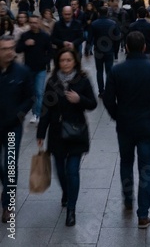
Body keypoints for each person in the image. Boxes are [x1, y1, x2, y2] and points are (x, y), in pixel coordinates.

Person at [103, 31, 150, 229]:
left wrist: (117, 115)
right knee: (146, 169)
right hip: (147, 126)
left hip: (125, 126)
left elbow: (109, 99)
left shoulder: (117, 71)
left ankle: (127, 198)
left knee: (126, 163)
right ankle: (143, 214)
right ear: (144, 47)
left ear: (126, 47)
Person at [37, 48, 97, 227]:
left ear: (75, 62)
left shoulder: (83, 80)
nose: (65, 64)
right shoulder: (52, 81)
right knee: (60, 171)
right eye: (62, 60)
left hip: (76, 132)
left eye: (68, 60)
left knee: (72, 171)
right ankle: (66, 191)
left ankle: (71, 209)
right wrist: (41, 133)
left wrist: (80, 99)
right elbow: (45, 109)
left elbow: (93, 103)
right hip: (56, 134)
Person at [0, 36, 33, 223]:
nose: (9, 52)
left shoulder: (22, 72)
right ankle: (7, 188)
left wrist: (18, 116)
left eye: (11, 48)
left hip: (13, 127)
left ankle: (8, 205)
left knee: (11, 164)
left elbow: (30, 98)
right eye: (4, 49)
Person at [16, 15, 52, 124]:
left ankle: (37, 113)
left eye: (35, 22)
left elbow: (50, 51)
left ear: (39, 23)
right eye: (31, 22)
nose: (33, 25)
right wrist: (26, 44)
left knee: (39, 92)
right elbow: (18, 49)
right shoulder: (25, 35)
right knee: (30, 92)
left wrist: (45, 61)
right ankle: (30, 111)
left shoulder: (44, 36)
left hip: (40, 69)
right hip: (28, 69)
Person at [91, 7, 120, 97]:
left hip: (98, 50)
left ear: (99, 13)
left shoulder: (94, 24)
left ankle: (101, 90)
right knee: (109, 71)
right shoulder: (113, 23)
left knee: (99, 71)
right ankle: (109, 90)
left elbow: (90, 38)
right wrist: (116, 50)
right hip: (109, 50)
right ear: (107, 13)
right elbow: (117, 38)